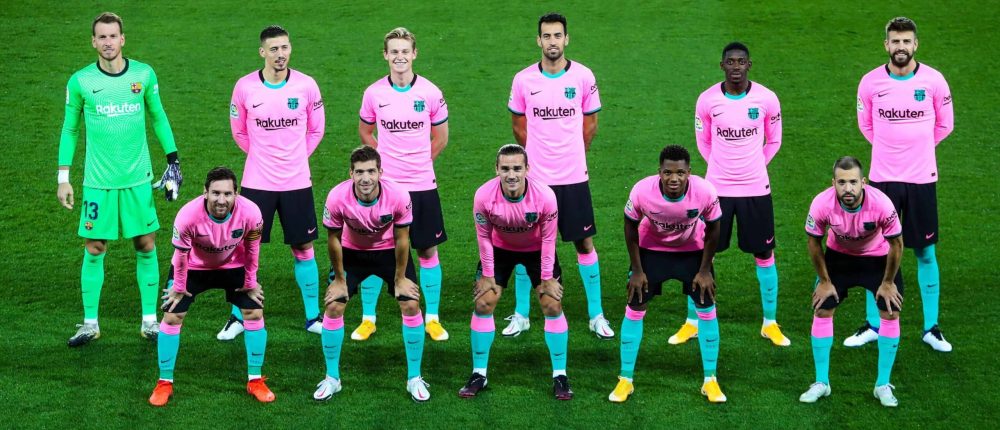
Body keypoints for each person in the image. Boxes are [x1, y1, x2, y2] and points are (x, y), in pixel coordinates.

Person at [57, 12, 182, 347]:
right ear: (93, 42)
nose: (108, 42)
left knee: (146, 245)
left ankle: (150, 322)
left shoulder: (143, 74)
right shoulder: (80, 81)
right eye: (102, 37)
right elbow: (70, 129)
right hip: (98, 182)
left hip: (137, 179)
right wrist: (63, 177)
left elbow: (158, 116)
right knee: (94, 247)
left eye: (113, 36)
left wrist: (173, 160)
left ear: (122, 39)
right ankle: (90, 324)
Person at [847, 16, 954, 352]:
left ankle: (931, 328)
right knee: (876, 249)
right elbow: (866, 125)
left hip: (921, 178)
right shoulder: (870, 82)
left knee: (925, 251)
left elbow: (945, 125)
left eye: (906, 41)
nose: (901, 47)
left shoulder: (934, 81)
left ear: (915, 44)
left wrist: (917, 149)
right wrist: (891, 149)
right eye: (895, 41)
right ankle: (873, 324)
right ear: (887, 45)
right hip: (883, 179)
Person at [505, 12, 612, 339]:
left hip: (573, 177)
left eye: (557, 35)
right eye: (546, 36)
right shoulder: (523, 80)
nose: (552, 41)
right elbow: (519, 126)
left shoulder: (583, 76)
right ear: (538, 40)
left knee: (584, 243)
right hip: (536, 180)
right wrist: (537, 158)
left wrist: (573, 154)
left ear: (566, 39)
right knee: (526, 244)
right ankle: (521, 314)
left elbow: (590, 125)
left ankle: (597, 314)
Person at [224, 24, 326, 340]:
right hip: (257, 182)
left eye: (284, 47)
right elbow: (239, 132)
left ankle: (313, 317)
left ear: (290, 48)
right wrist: (263, 156)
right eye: (274, 49)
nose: (280, 54)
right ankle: (237, 317)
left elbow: (316, 129)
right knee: (245, 248)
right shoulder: (244, 87)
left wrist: (295, 157)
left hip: (297, 182)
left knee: (303, 247)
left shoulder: (306, 85)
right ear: (262, 52)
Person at [688, 41, 788, 347]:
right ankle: (693, 321)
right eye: (730, 61)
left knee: (764, 254)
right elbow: (704, 141)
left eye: (740, 61)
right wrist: (721, 167)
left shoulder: (767, 98)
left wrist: (754, 165)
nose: (735, 66)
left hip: (756, 189)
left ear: (749, 65)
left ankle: (770, 323)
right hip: (717, 190)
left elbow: (774, 140)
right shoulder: (707, 100)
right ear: (722, 66)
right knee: (703, 252)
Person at [354, 27, 451, 342]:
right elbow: (365, 131)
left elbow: (441, 137)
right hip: (386, 188)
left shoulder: (430, 92)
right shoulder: (374, 93)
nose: (399, 56)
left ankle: (432, 318)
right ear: (385, 55)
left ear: (414, 54)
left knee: (427, 250)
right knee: (373, 248)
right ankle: (368, 319)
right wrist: (382, 161)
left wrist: (421, 161)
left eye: (405, 51)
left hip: (422, 184)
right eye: (394, 51)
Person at [608, 145, 726, 404]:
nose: (674, 178)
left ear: (689, 172)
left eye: (680, 173)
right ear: (659, 172)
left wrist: (705, 269)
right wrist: (637, 269)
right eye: (668, 172)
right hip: (651, 251)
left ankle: (710, 380)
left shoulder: (705, 191)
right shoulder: (642, 190)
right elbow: (630, 225)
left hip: (692, 252)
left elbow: (715, 228)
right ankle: (625, 379)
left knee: (706, 306)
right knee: (635, 306)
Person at [313, 146, 430, 402]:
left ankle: (414, 378)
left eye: (370, 171)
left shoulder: (398, 195)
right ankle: (332, 378)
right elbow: (333, 240)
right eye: (359, 172)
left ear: (380, 172)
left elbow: (402, 239)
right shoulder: (337, 197)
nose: (365, 178)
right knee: (333, 306)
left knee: (411, 304)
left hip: (388, 252)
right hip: (352, 253)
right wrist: (340, 280)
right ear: (351, 174)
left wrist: (400, 279)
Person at [148, 167, 273, 406]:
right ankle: (164, 383)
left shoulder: (251, 212)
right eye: (216, 193)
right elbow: (181, 256)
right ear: (205, 192)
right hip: (193, 267)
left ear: (236, 194)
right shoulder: (187, 216)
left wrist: (250, 282)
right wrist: (179, 287)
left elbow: (252, 249)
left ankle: (255, 380)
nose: (221, 200)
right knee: (172, 316)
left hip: (233, 264)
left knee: (254, 312)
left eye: (227, 194)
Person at [459, 144, 572, 400]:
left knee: (552, 304)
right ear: (496, 169)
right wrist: (488, 275)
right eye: (506, 168)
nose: (511, 175)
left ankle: (560, 375)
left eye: (517, 168)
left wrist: (546, 278)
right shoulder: (483, 196)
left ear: (527, 169)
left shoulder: (545, 197)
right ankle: (479, 373)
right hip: (500, 249)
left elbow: (549, 239)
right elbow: (483, 237)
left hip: (536, 250)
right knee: (484, 302)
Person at [799, 156, 904, 407]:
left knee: (890, 312)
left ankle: (882, 385)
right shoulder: (821, 203)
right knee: (822, 308)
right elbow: (814, 242)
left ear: (863, 182)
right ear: (833, 183)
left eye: (853, 182)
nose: (848, 188)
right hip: (840, 258)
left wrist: (888, 282)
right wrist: (824, 281)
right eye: (842, 182)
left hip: (877, 259)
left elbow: (896, 244)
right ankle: (821, 383)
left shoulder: (881, 203)